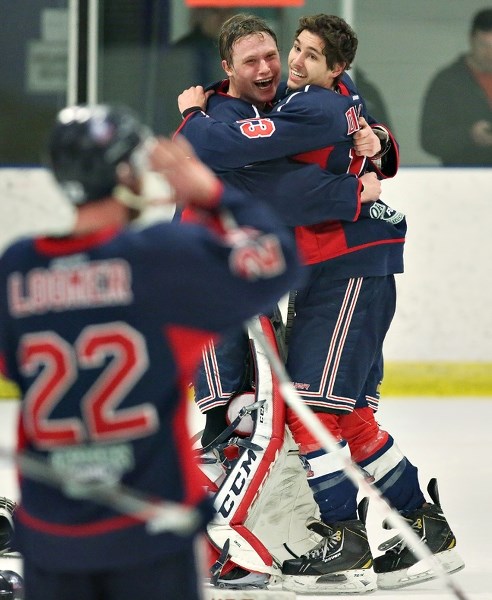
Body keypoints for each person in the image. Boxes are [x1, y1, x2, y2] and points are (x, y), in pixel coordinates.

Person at [177, 13, 465, 595]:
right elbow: (217, 156)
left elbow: (285, 180)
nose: (274, 66)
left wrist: (372, 159)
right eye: (257, 59)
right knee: (305, 410)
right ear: (227, 68)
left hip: (340, 265)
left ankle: (338, 536)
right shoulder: (257, 108)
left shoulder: (304, 100)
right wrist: (361, 177)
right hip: (242, 275)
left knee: (301, 408)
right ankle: (420, 524)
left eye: (280, 55)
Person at [0, 103, 303, 600]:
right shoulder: (161, 258)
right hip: (147, 533)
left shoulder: (18, 269)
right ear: (123, 174)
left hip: (52, 535)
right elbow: (278, 260)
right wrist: (209, 191)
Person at [420, 7, 492, 165]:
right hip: (461, 178)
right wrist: (469, 135)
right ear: (471, 40)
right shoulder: (448, 82)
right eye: (484, 45)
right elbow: (430, 139)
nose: (489, 53)